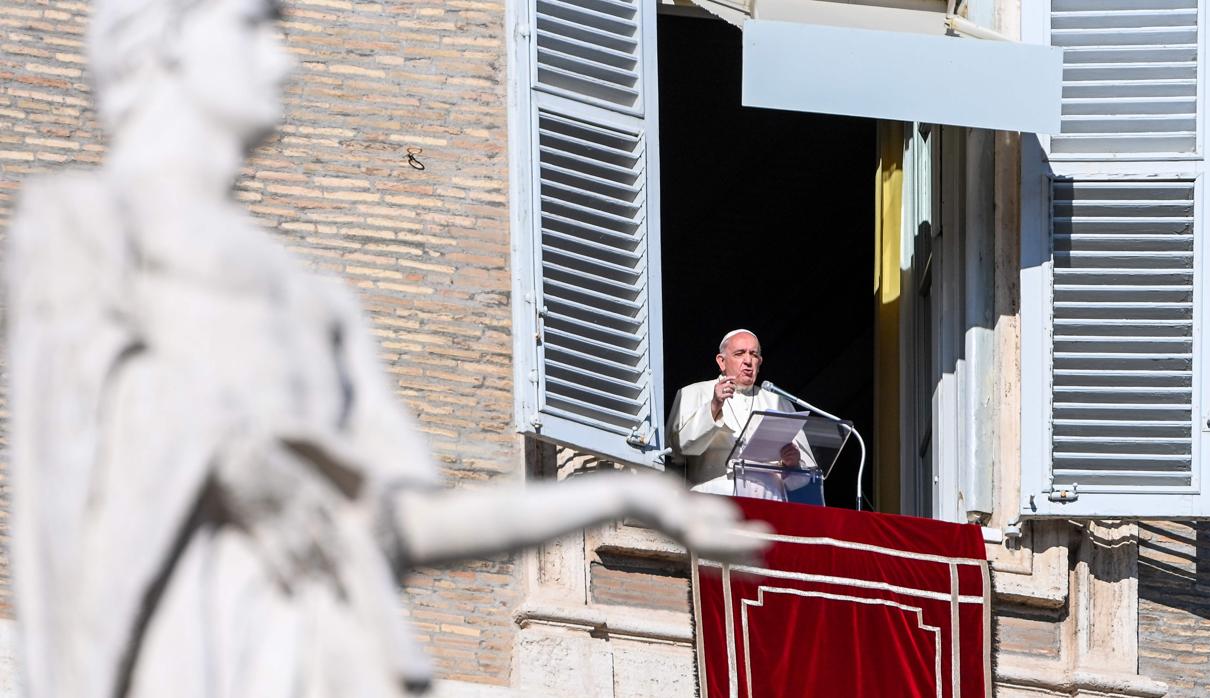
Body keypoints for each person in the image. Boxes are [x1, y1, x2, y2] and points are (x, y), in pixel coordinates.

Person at [6, 0, 769, 696]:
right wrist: (244, 462)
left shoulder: (315, 304)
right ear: (164, 44)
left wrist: (624, 495)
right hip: (177, 659)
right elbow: (78, 469)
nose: (285, 60)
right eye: (253, 28)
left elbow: (405, 526)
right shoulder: (78, 231)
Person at [666, 329, 816, 500]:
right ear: (721, 361)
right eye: (739, 354)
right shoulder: (693, 393)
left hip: (771, 502)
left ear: (759, 362)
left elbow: (804, 479)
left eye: (753, 355)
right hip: (714, 499)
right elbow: (680, 450)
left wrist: (793, 464)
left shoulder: (780, 403)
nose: (747, 361)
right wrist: (714, 406)